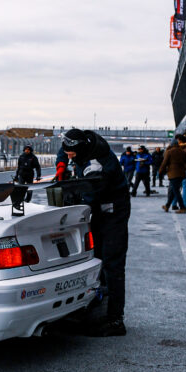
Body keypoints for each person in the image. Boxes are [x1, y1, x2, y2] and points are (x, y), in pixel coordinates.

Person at [60, 129, 131, 336]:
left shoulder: (96, 167)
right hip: (100, 210)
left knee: (112, 262)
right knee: (95, 259)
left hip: (113, 211)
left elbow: (90, 195)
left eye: (71, 154)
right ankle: (95, 309)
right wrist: (61, 164)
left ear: (81, 150)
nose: (68, 155)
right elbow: (64, 151)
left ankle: (115, 320)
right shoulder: (79, 143)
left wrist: (70, 208)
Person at [158, 140, 186, 213]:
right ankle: (167, 206)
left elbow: (164, 163)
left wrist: (160, 172)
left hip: (173, 174)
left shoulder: (169, 152)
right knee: (174, 190)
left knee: (176, 191)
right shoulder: (183, 152)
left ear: (172, 145)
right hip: (181, 174)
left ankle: (182, 208)